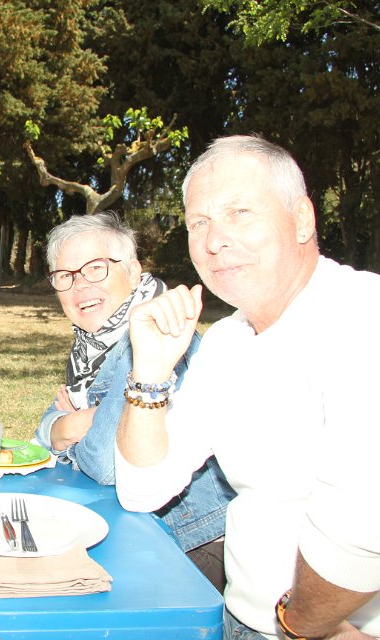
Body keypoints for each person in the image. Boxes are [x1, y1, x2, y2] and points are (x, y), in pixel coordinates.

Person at [114, 136, 380, 639]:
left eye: (239, 212)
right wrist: (151, 371)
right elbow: (141, 488)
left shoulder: (370, 319)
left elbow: (365, 530)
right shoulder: (227, 343)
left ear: (303, 219)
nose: (215, 240)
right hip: (248, 621)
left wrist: (299, 626)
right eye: (200, 222)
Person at [34, 211, 235, 593]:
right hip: (137, 532)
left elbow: (107, 464)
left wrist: (70, 434)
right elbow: (48, 427)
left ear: (133, 271)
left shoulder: (156, 336)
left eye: (95, 268)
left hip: (192, 546)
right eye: (65, 276)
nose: (79, 286)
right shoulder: (91, 348)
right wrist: (72, 423)